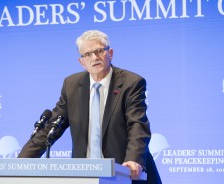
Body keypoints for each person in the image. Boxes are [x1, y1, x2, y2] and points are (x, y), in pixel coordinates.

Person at [18, 30, 162, 184]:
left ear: (110, 53)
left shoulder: (131, 83)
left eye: (99, 51)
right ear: (82, 62)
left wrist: (133, 161)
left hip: (125, 173)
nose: (94, 57)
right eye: (87, 54)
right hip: (85, 177)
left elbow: (137, 125)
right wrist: (20, 162)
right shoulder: (72, 85)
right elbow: (52, 127)